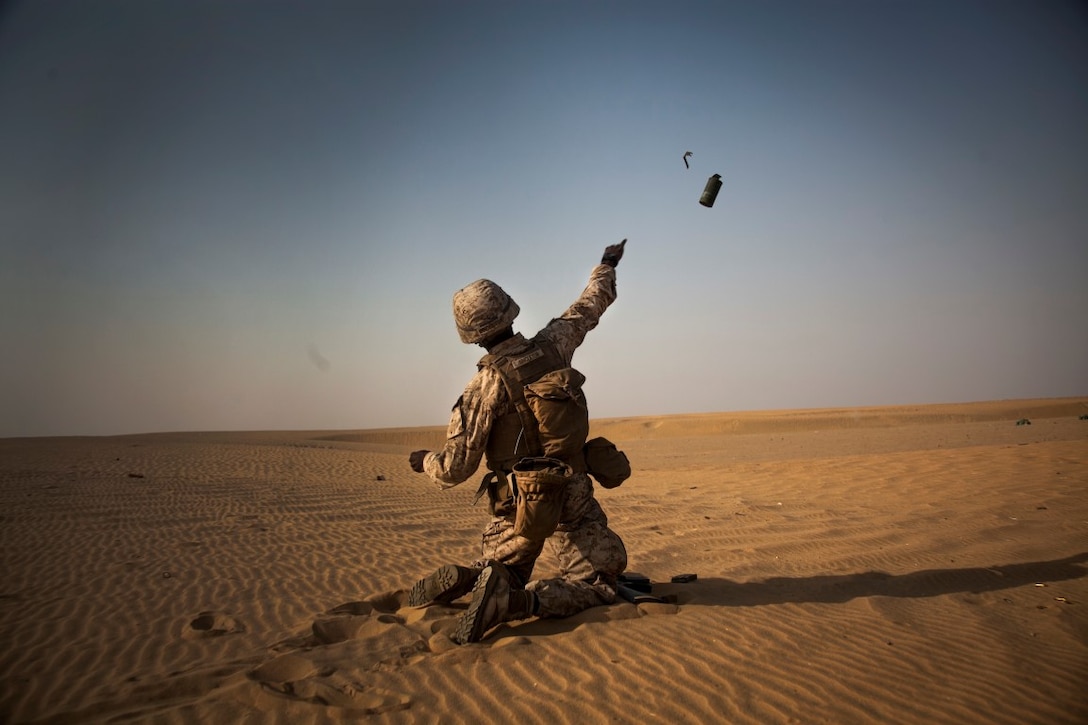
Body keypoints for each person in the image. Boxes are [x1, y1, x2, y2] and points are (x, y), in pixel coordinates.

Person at [407, 239, 630, 644]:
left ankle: (479, 580)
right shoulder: (554, 343)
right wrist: (606, 264)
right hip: (572, 494)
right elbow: (590, 305)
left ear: (471, 336)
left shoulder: (481, 389)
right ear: (510, 310)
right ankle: (515, 605)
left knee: (507, 566)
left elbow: (455, 469)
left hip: (518, 504)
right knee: (601, 583)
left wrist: (424, 461)